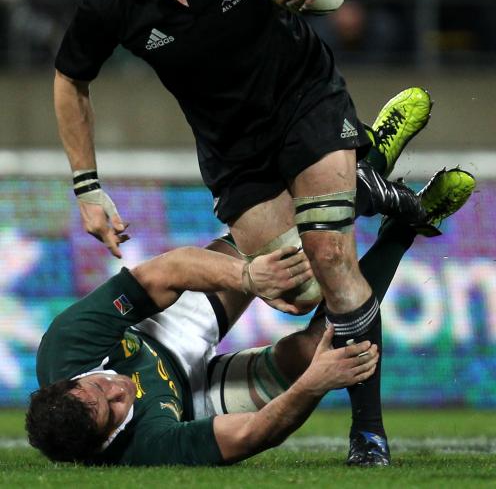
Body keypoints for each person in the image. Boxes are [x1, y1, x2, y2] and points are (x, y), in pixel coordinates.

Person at [53, 0, 431, 465]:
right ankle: (363, 183)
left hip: (303, 98)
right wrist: (87, 186)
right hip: (233, 151)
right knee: (300, 292)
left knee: (331, 254)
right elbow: (70, 80)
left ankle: (368, 431)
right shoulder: (110, 4)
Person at [25, 164, 475, 466]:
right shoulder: (142, 447)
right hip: (190, 402)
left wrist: (248, 277)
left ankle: (358, 166)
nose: (118, 386)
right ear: (101, 442)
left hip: (161, 334)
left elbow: (165, 271)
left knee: (271, 251)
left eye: (97, 384)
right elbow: (251, 435)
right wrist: (313, 382)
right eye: (114, 407)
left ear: (69, 380)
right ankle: (403, 228)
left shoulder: (67, 344)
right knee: (321, 347)